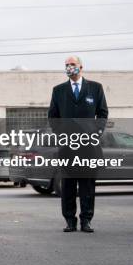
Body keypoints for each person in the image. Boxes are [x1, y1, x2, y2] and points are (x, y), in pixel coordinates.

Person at [48, 56, 108, 233]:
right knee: (68, 185)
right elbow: (53, 116)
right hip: (67, 147)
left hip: (89, 147)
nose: (69, 67)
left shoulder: (95, 88)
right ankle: (70, 221)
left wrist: (96, 133)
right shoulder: (58, 90)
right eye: (66, 65)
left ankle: (86, 220)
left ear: (81, 66)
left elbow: (103, 113)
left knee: (87, 186)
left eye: (72, 64)